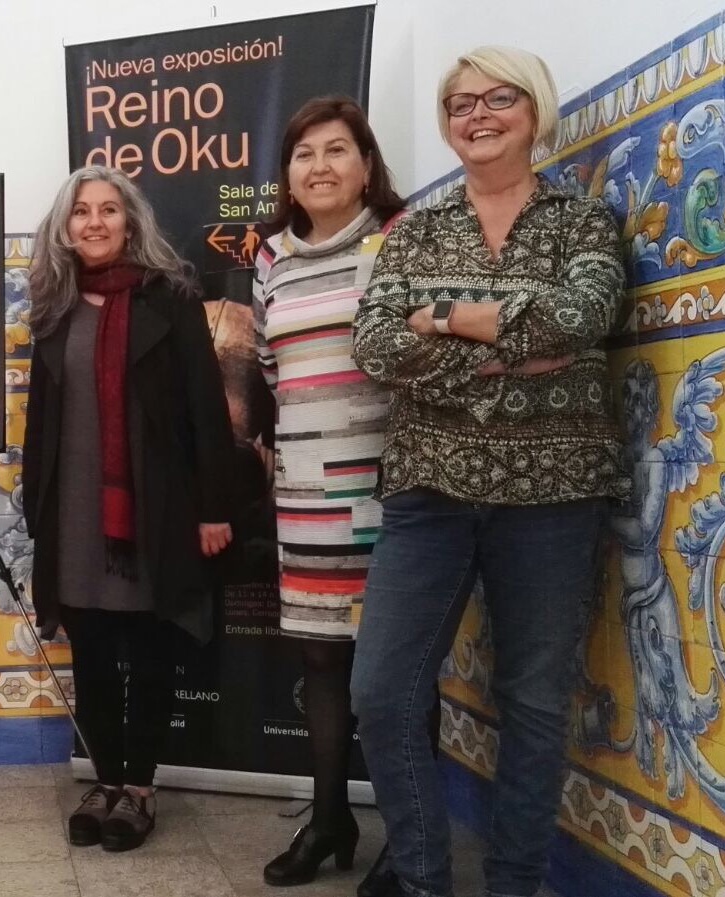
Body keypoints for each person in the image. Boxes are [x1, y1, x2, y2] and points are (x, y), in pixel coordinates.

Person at [349, 47, 627, 897]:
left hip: (553, 495)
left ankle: (512, 885)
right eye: (459, 103)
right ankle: (423, 879)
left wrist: (438, 316)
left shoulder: (581, 222)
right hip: (427, 489)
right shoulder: (416, 230)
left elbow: (580, 316)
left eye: (497, 97)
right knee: (381, 692)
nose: (476, 114)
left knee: (535, 703)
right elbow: (374, 344)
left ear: (533, 109)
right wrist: (506, 352)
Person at [22, 165, 234, 852]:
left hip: (154, 510)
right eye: (80, 211)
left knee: (146, 653)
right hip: (74, 514)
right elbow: (40, 422)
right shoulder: (54, 309)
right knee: (89, 653)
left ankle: (138, 788)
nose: (94, 222)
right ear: (65, 227)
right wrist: (35, 509)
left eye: (107, 209)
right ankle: (103, 780)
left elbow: (206, 409)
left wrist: (212, 508)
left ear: (130, 221)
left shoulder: (169, 298)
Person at [251, 96, 414, 891]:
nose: (319, 166)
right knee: (320, 656)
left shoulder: (399, 238)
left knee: (396, 669)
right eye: (303, 153)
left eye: (336, 149)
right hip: (305, 494)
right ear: (287, 174)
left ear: (365, 163)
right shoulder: (270, 256)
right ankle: (328, 819)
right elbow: (269, 366)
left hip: (391, 491)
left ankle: (409, 840)